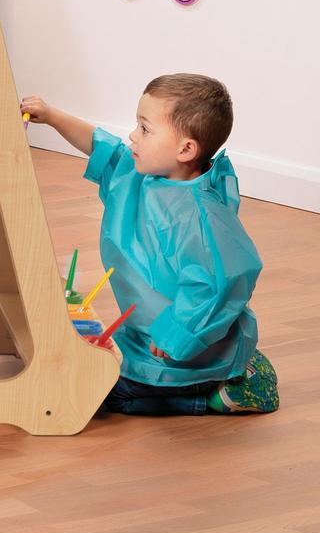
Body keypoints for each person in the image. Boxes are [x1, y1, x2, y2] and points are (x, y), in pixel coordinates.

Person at [24, 74, 277, 416]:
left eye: (145, 128)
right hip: (147, 336)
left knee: (101, 395)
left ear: (185, 149)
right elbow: (106, 150)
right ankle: (229, 364)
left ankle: (217, 394)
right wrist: (52, 117)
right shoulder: (147, 174)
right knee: (94, 370)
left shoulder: (201, 216)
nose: (133, 135)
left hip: (180, 354)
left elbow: (222, 280)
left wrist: (176, 334)